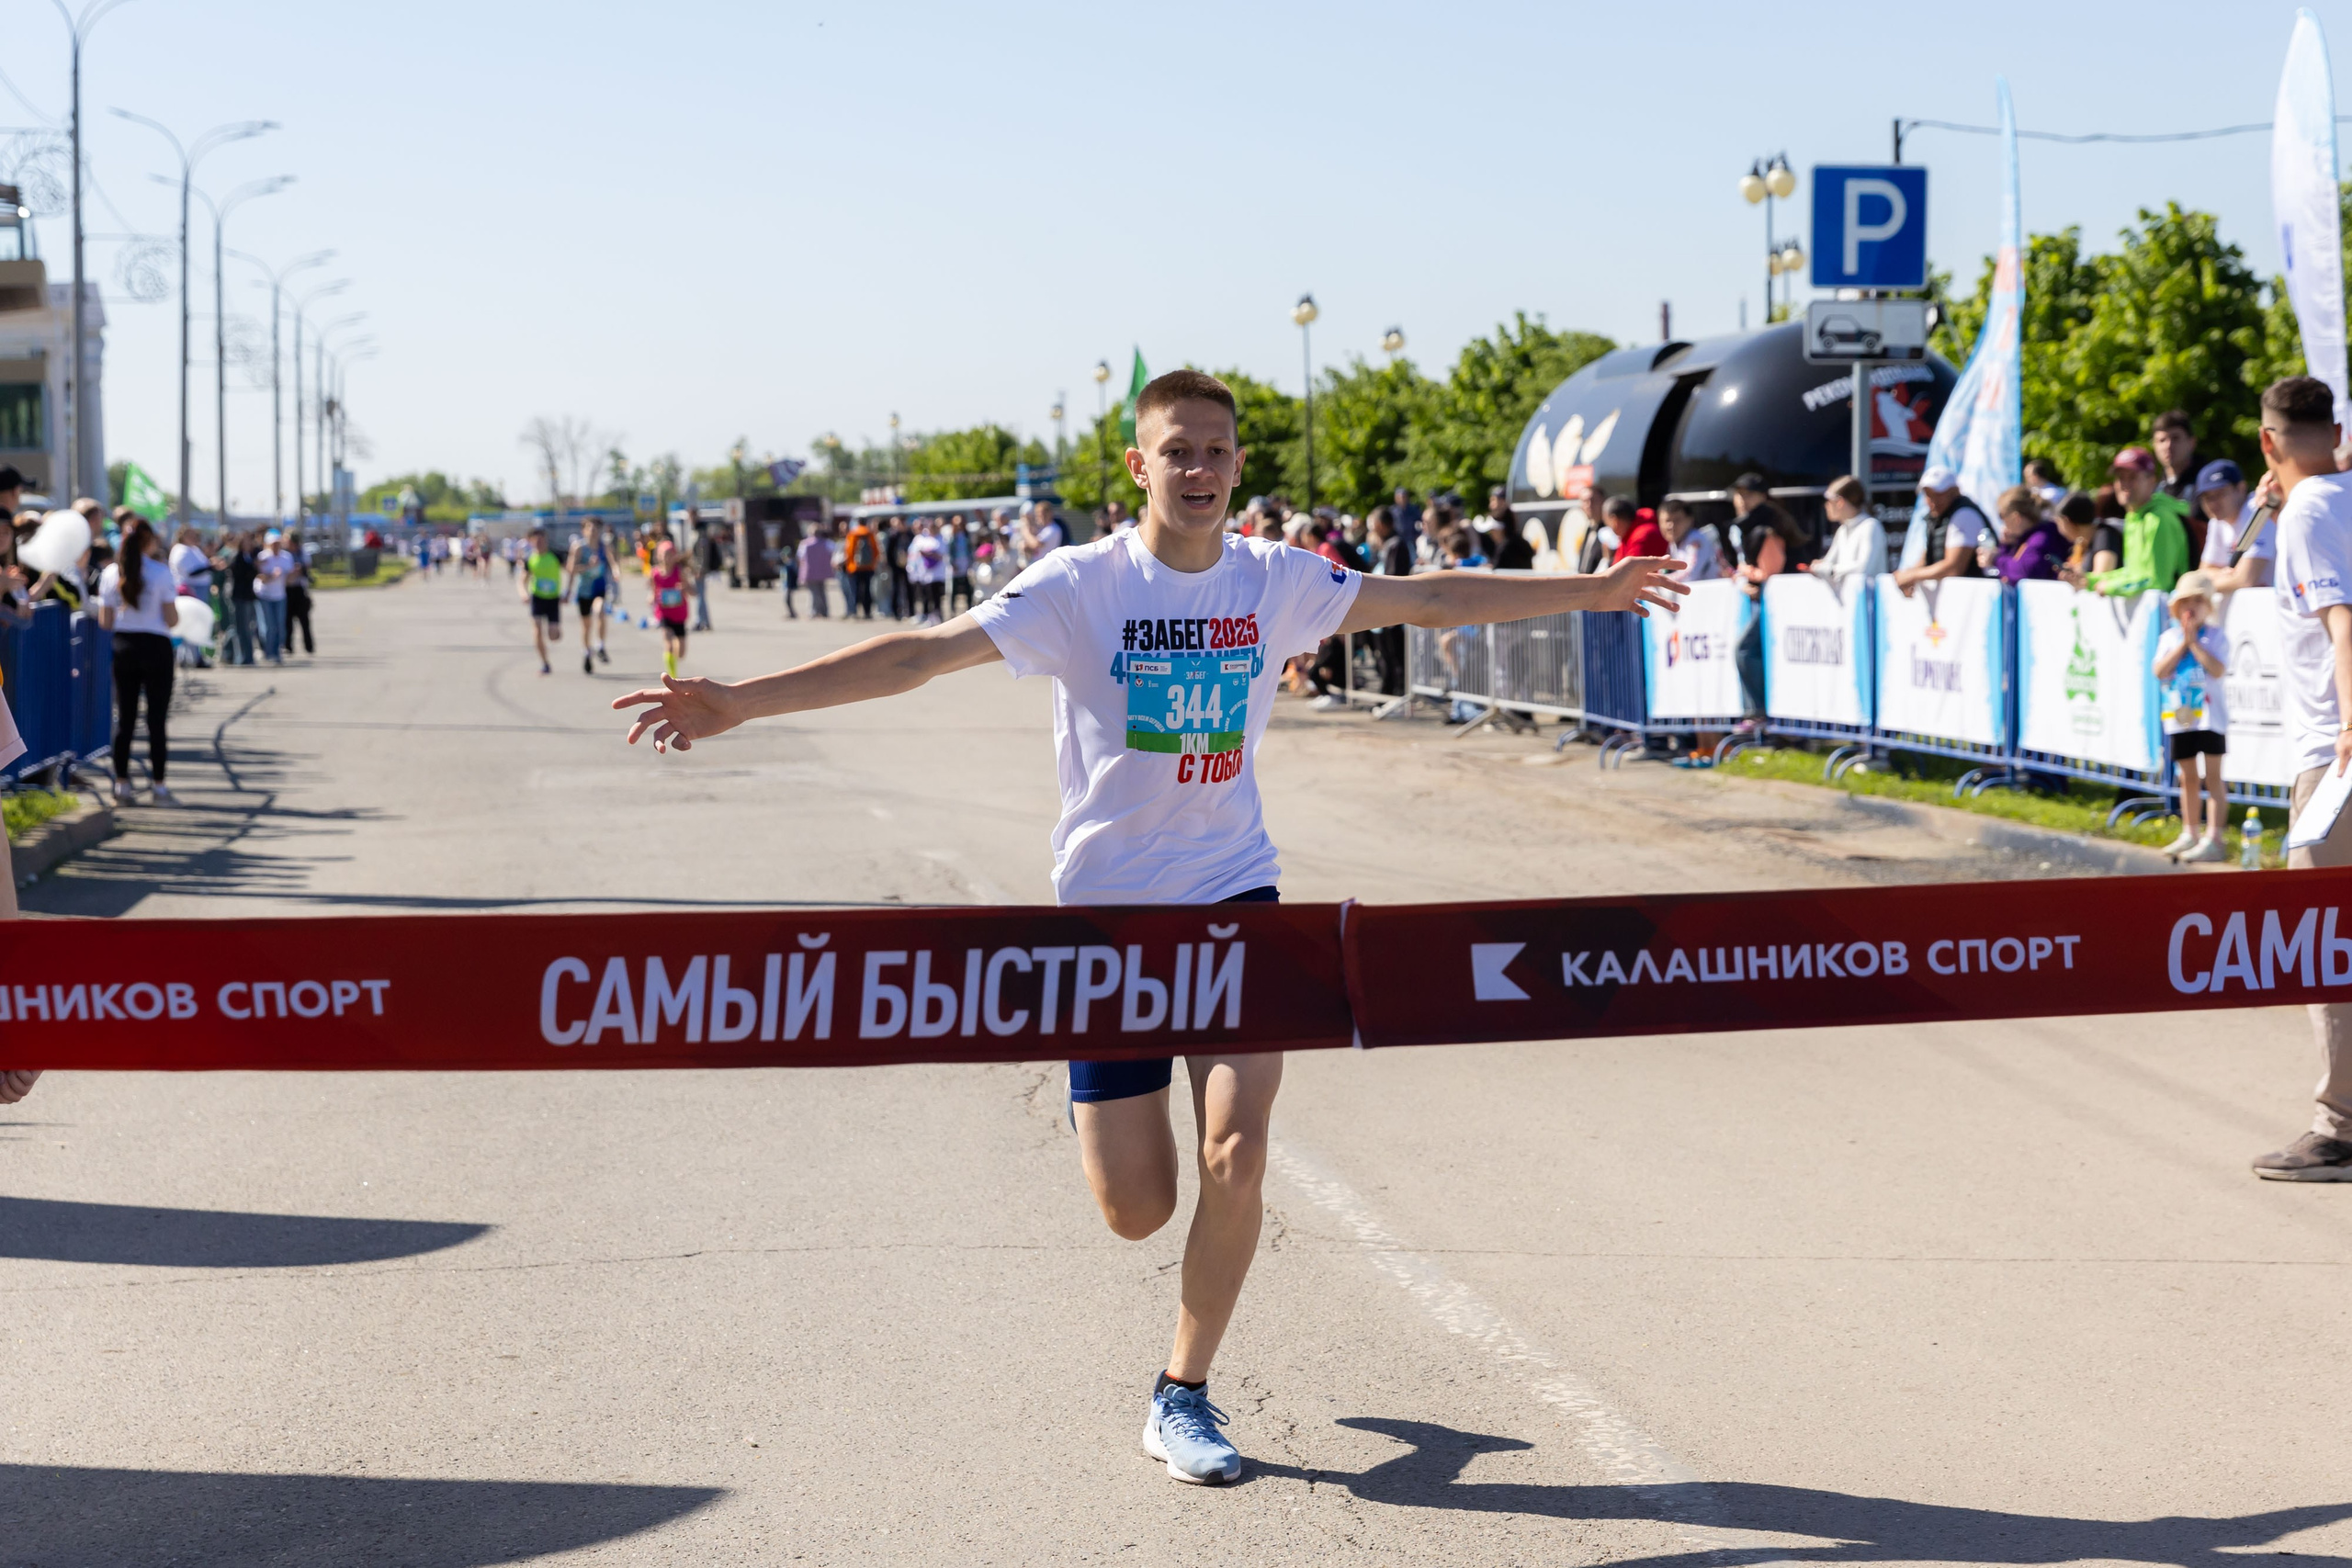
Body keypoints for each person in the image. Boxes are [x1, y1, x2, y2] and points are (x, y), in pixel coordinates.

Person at [613, 370, 1683, 1483]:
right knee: (1136, 1208)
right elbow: (919, 657)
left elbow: (1428, 598)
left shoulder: (1275, 578)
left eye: (1217, 451)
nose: (1200, 469)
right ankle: (1182, 1306)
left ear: (1236, 466)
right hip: (1108, 926)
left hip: (1234, 903)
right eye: (1178, 450)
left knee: (1239, 1147)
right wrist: (741, 701)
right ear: (1139, 464)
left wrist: (1591, 590)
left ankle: (1183, 1393)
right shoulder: (1079, 588)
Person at [2248, 374, 2352, 1179]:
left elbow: (2340, 620)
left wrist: (2349, 731)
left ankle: (2340, 1124)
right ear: (2337, 429)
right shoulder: (2332, 503)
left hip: (2333, 758)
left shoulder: (2311, 512)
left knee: (2322, 945)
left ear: (2267, 440)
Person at [94, 515, 181, 807]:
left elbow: (105, 621)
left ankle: (122, 785)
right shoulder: (160, 572)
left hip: (124, 645)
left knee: (125, 719)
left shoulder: (110, 574)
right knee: (157, 719)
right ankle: (159, 786)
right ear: (148, 540)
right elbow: (171, 619)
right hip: (156, 646)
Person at [2152, 569, 2229, 863]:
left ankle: (2215, 837)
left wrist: (2195, 642)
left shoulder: (2216, 637)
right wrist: (2183, 641)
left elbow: (2218, 669)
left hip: (2210, 717)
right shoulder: (2169, 637)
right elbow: (2159, 671)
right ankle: (2190, 831)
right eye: (2186, 602)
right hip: (2180, 716)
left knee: (2213, 778)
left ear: (2208, 606)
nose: (2191, 608)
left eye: (2198, 601)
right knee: (2188, 778)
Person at [2088, 446, 2192, 598]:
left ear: (2151, 481)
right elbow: (2133, 573)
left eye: (2132, 477)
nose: (2124, 483)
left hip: (2170, 615)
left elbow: (2159, 583)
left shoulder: (2160, 518)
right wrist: (2088, 581)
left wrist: (2110, 587)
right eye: (2120, 477)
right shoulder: (2134, 517)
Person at [1730, 479, 1790, 731]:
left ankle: (1758, 714)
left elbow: (1771, 571)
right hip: (1758, 598)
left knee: (1744, 650)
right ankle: (1758, 716)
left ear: (1764, 497)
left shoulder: (1768, 526)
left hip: (1774, 600)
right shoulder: (1742, 527)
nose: (1743, 500)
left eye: (1749, 495)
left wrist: (1745, 573)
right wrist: (1740, 578)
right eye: (1739, 495)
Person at [1894, 465, 1991, 593]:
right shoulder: (1936, 518)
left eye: (1938, 494)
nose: (1932, 501)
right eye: (1928, 495)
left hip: (1973, 600)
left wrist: (1912, 576)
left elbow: (1954, 568)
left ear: (1955, 491)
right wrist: (1908, 575)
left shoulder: (1965, 515)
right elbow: (1929, 556)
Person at [2193, 458, 2276, 594]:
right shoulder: (2217, 520)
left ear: (2241, 488)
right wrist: (2224, 575)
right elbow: (2203, 572)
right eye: (2207, 497)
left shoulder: (2258, 511)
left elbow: (2246, 580)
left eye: (2219, 494)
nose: (2213, 504)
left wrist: (2204, 586)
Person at [565, 519, 621, 673]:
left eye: (597, 528)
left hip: (599, 588)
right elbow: (571, 569)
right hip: (583, 591)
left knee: (601, 609)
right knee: (586, 625)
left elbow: (613, 561)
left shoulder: (604, 546)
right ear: (584, 530)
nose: (594, 531)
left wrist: (616, 572)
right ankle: (586, 653)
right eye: (590, 528)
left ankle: (600, 645)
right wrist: (587, 566)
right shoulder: (579, 548)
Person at [1365, 506, 1409, 698]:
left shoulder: (1396, 544)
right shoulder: (1386, 544)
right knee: (1385, 655)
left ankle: (1399, 693)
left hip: (1394, 610)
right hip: (1385, 610)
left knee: (1396, 656)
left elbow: (1394, 576)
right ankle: (1389, 691)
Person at [1809, 477, 1883, 581]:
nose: (1826, 505)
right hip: (1849, 595)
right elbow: (1829, 562)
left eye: (1828, 501)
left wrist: (1830, 570)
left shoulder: (1870, 526)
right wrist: (1818, 566)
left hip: (1868, 596)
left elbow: (1864, 568)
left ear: (1840, 502)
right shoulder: (1843, 530)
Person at [2152, 409, 2205, 556]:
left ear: (2191, 442)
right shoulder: (2153, 486)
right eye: (2162, 440)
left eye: (2175, 438)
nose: (2168, 446)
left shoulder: (2207, 482)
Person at [1989, 486, 2065, 583]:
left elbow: (2026, 571)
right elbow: (2011, 569)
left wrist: (1996, 560)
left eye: (2001, 516)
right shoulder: (2027, 537)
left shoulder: (2041, 538)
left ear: (2016, 518)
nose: (2003, 524)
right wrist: (2006, 546)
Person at [520, 526, 566, 674]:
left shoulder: (556, 556)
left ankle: (556, 631)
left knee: (553, 636)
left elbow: (570, 570)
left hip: (553, 599)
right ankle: (545, 663)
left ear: (546, 540)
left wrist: (568, 591)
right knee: (537, 630)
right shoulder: (530, 559)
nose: (539, 543)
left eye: (542, 540)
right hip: (537, 597)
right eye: (536, 540)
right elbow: (522, 580)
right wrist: (524, 594)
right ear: (531, 542)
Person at [2053, 491, 2122, 588]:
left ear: (2067, 521)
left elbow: (2102, 577)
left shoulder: (2105, 536)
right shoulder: (2086, 541)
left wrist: (2082, 579)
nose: (2059, 530)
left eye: (2059, 523)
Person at [650, 538, 691, 678]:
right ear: (658, 556)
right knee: (668, 643)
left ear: (674, 556)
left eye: (669, 554)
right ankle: (673, 677)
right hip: (663, 612)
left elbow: (693, 591)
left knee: (681, 652)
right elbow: (653, 590)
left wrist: (685, 588)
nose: (666, 558)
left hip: (679, 613)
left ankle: (674, 665)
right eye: (663, 554)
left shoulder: (679, 572)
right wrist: (651, 598)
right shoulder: (655, 573)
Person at [219, 531, 260, 666]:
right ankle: (243, 657)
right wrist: (254, 567)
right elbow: (240, 575)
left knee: (243, 628)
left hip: (247, 596)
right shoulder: (237, 556)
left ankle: (234, 655)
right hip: (238, 596)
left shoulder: (250, 556)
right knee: (241, 629)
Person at [1657, 499, 1724, 581]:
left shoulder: (1696, 539)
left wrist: (1658, 580)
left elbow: (1690, 575)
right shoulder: (1674, 543)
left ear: (1690, 520)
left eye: (1677, 520)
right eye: (1667, 521)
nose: (1671, 526)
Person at [906, 518, 947, 626]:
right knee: (928, 596)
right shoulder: (925, 539)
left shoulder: (941, 539)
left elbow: (940, 555)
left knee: (937, 597)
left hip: (937, 574)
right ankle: (930, 617)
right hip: (926, 574)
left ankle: (938, 617)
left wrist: (928, 554)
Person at [283, 529, 315, 656]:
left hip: (300, 589)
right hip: (287, 590)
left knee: (304, 620)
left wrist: (299, 569)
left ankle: (309, 646)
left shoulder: (302, 553)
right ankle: (288, 646)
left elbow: (306, 567)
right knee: (288, 621)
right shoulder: (284, 554)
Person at [841, 514, 879, 619]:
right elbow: (876, 551)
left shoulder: (853, 534)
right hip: (868, 567)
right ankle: (867, 612)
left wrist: (848, 565)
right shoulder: (870, 534)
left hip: (854, 568)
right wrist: (873, 563)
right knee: (867, 590)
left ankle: (854, 611)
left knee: (855, 590)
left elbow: (849, 551)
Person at [798, 522, 835, 618]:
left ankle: (814, 611)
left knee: (813, 592)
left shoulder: (805, 544)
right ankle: (824, 611)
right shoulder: (827, 543)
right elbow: (833, 552)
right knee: (822, 591)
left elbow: (800, 557)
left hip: (810, 572)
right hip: (823, 571)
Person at [945, 514, 977, 615]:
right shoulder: (952, 537)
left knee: (968, 589)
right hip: (956, 566)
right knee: (954, 590)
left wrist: (971, 563)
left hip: (966, 564)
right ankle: (952, 611)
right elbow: (949, 552)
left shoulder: (967, 535)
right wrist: (952, 563)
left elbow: (970, 550)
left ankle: (969, 607)